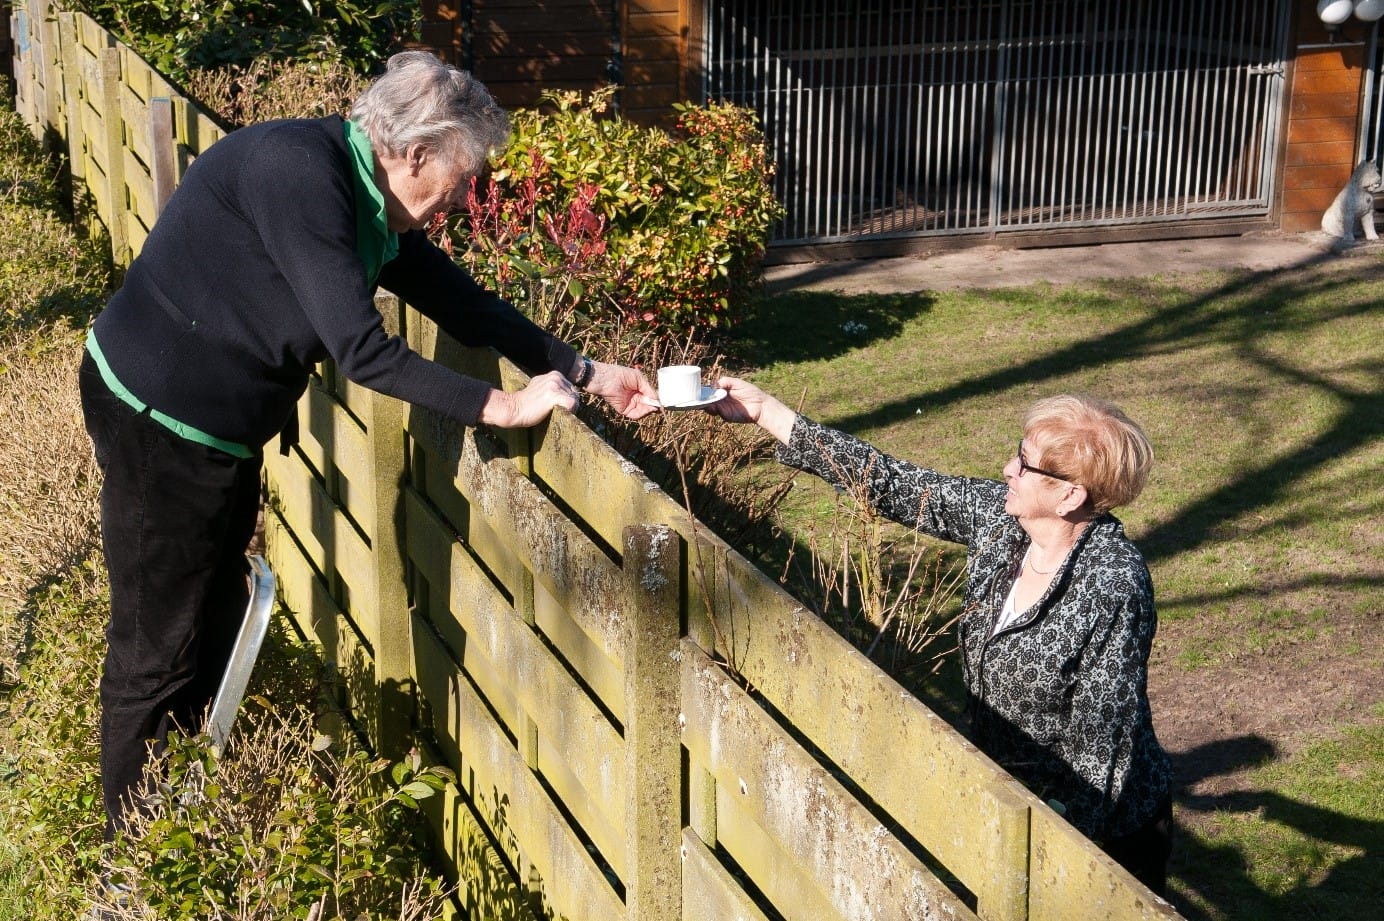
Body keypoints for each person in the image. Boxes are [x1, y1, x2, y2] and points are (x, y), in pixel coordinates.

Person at [78, 50, 658, 841]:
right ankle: (133, 864)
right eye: (462, 177)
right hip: (161, 424)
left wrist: (587, 371)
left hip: (218, 436)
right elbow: (364, 352)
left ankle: (185, 825)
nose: (464, 197)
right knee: (155, 653)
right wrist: (503, 404)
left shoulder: (366, 198)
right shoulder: (302, 179)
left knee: (207, 627)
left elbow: (463, 303)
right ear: (415, 153)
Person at [706, 378, 1174, 894]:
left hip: (1095, 831)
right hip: (1005, 799)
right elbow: (891, 483)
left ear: (1069, 495)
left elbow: (1101, 743)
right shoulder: (1001, 520)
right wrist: (767, 413)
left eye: (1024, 463)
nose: (1007, 471)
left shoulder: (1114, 583)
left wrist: (1058, 858)